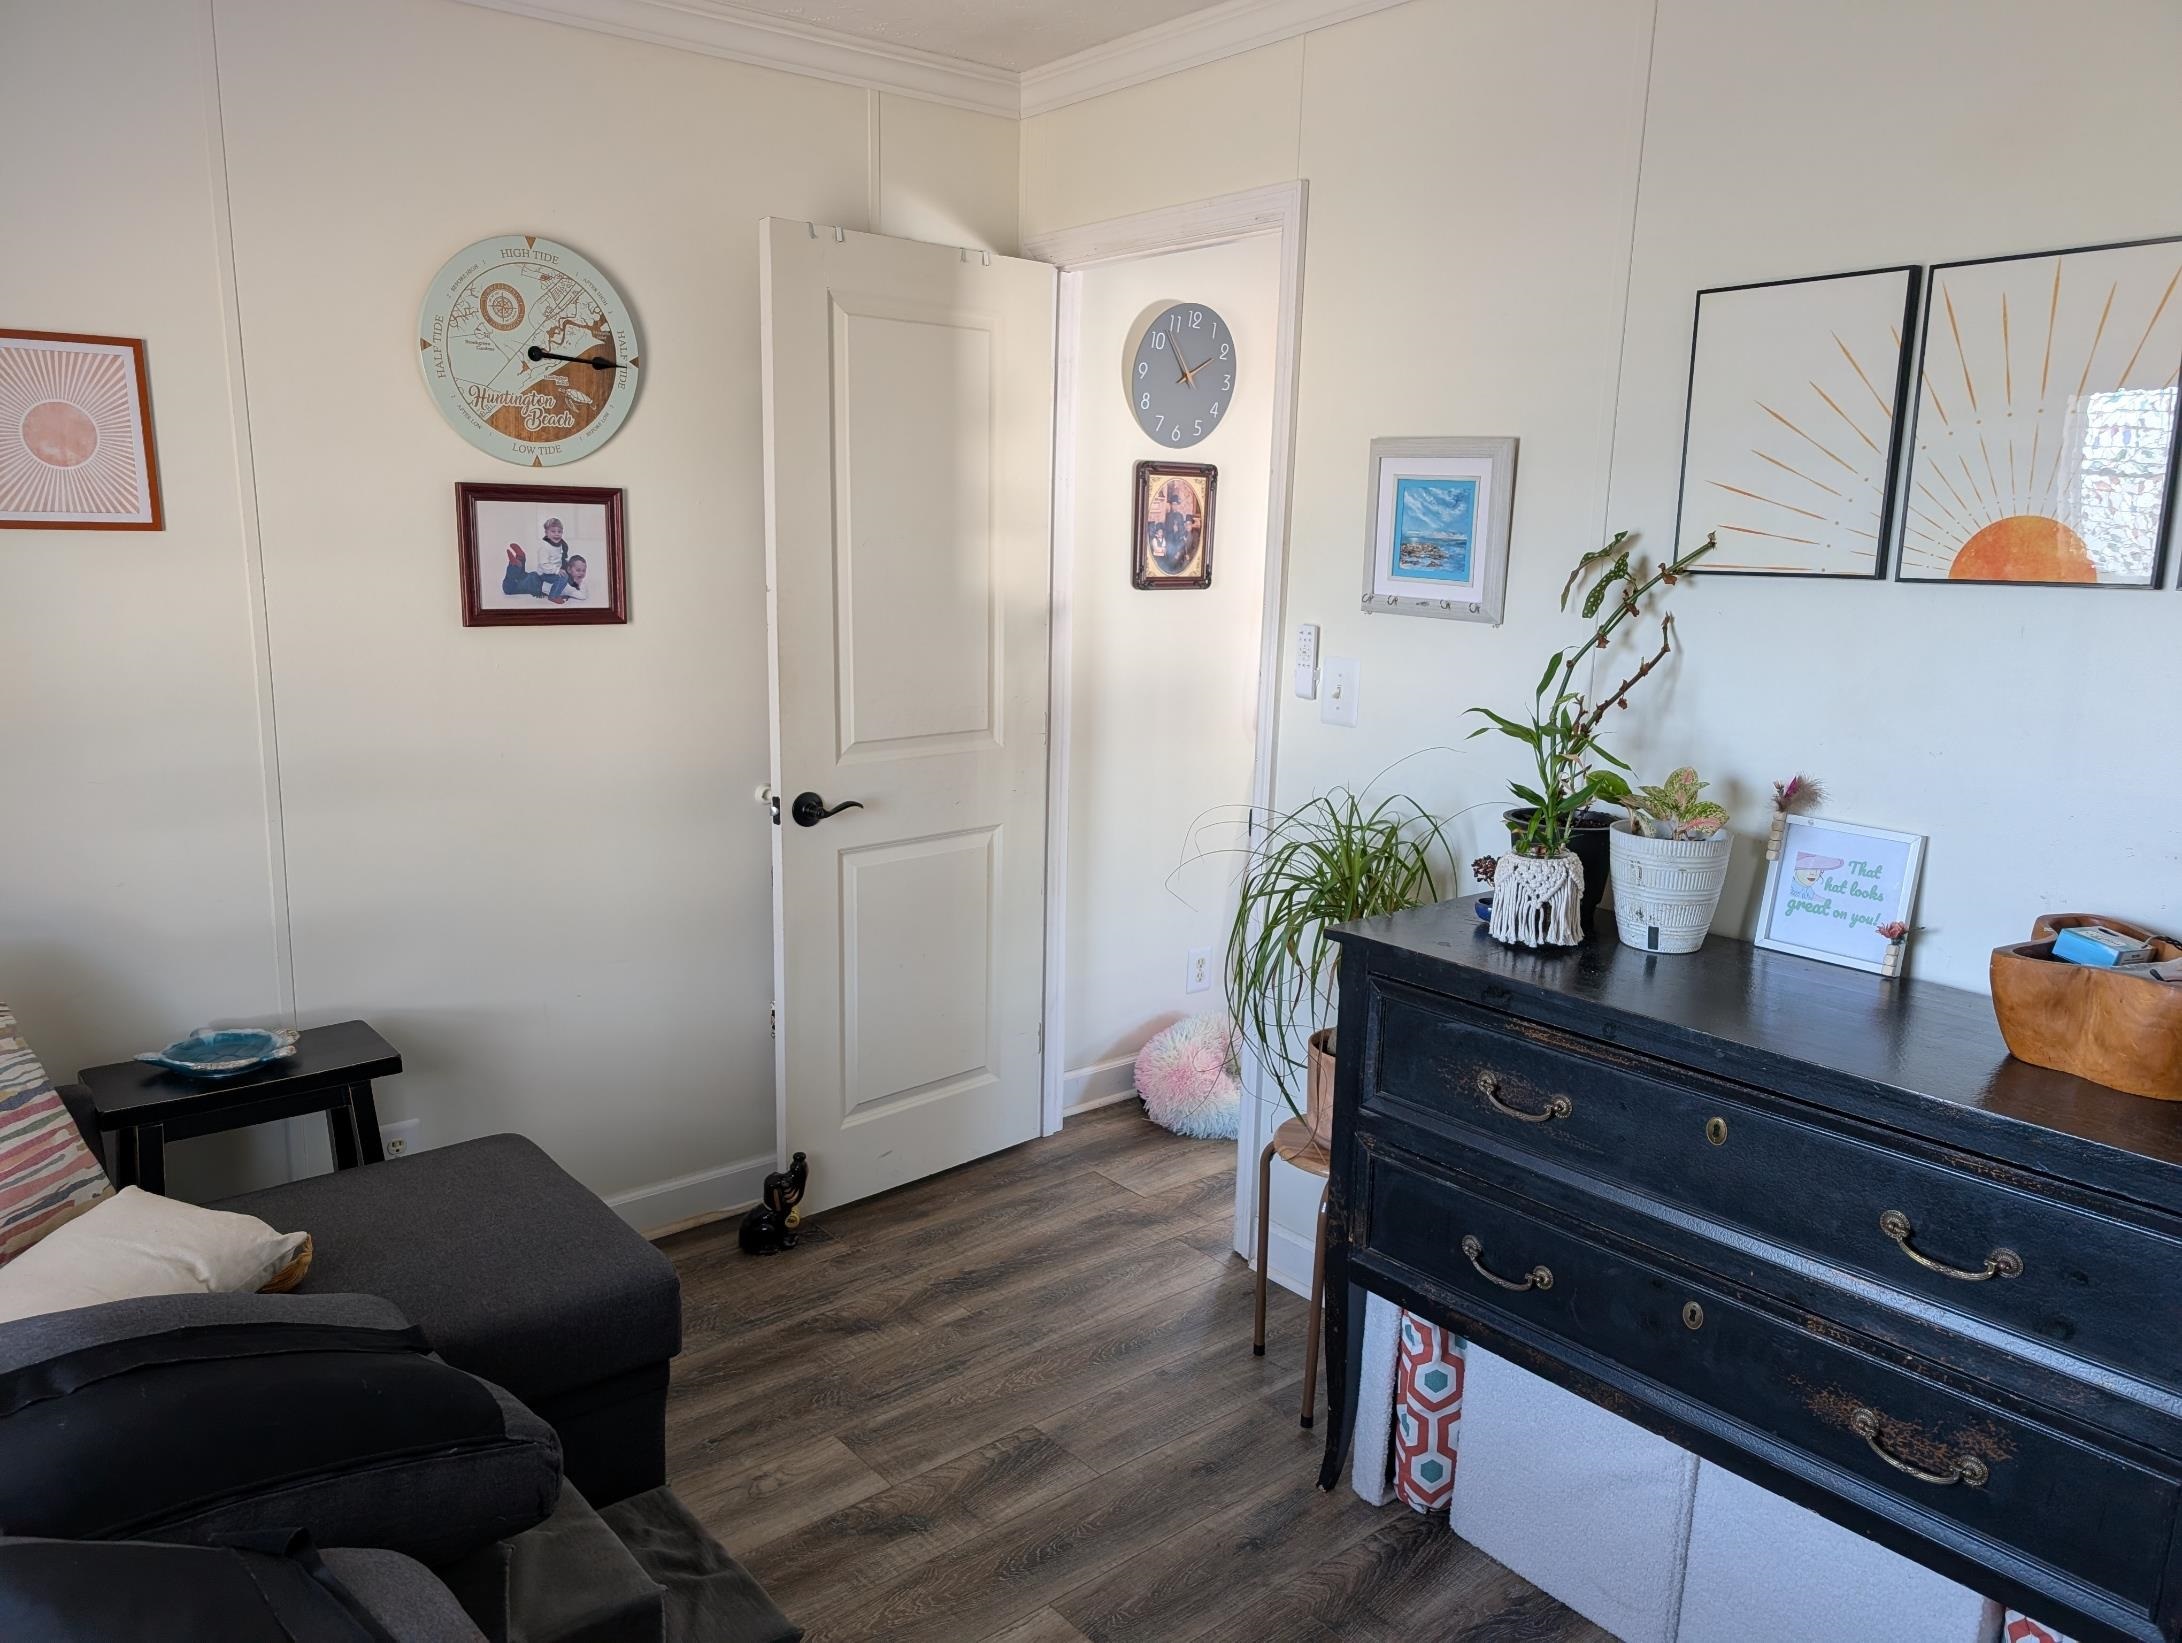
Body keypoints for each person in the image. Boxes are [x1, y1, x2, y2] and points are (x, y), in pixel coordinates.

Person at [502, 518, 579, 600]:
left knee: (522, 576)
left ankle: (520, 559)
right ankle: (553, 596)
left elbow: (561, 559)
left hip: (541, 574)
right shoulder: (545, 547)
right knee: (510, 587)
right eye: (553, 531)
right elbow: (544, 565)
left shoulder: (560, 544)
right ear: (546, 533)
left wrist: (567, 567)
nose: (557, 534)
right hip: (545, 574)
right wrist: (557, 570)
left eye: (559, 532)